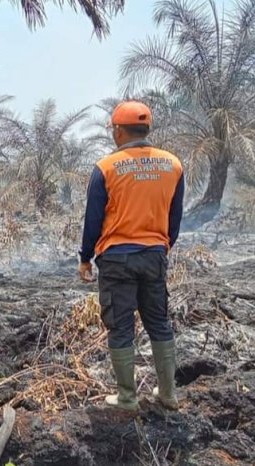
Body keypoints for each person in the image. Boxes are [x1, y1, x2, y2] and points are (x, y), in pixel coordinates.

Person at [79, 100, 185, 412]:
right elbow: (174, 218)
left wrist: (85, 257)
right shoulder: (173, 165)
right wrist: (162, 247)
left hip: (116, 259)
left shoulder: (106, 168)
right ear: (146, 129)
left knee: (121, 326)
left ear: (118, 131)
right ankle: (168, 394)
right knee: (159, 323)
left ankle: (127, 398)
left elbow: (93, 220)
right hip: (154, 255)